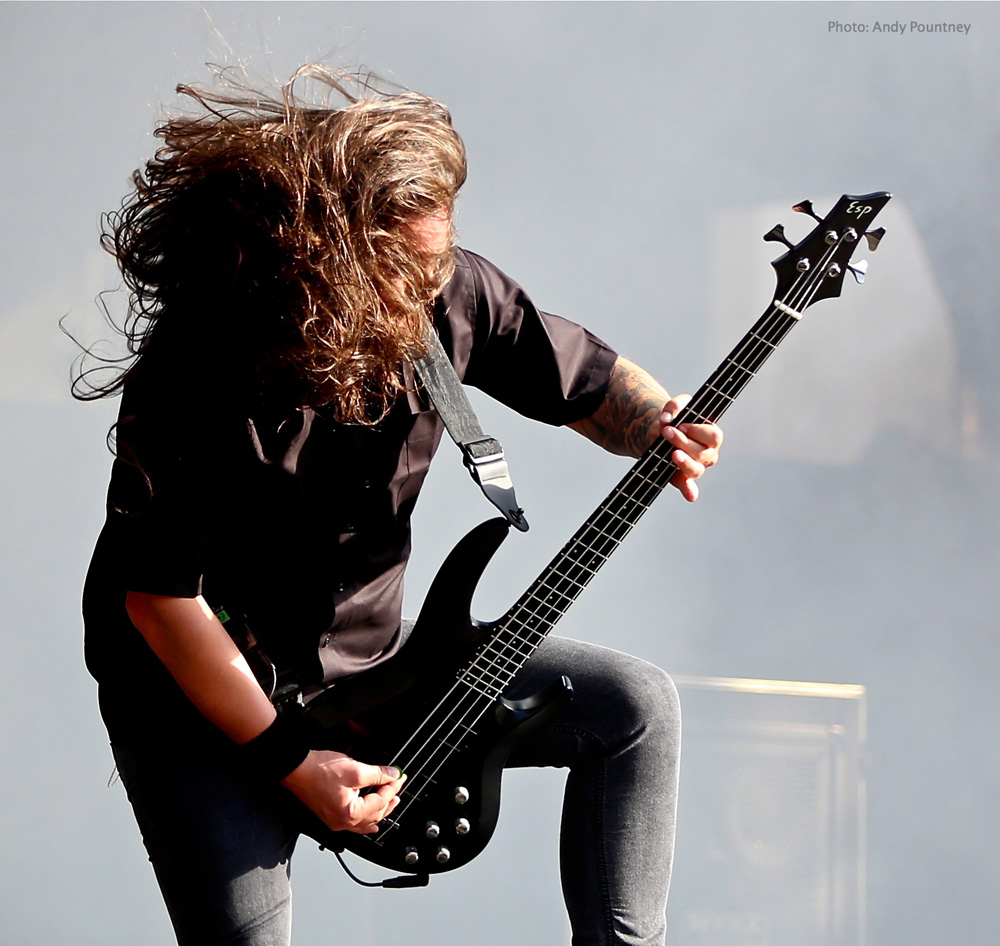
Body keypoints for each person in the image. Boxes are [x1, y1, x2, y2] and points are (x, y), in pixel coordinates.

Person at [80, 65, 723, 946]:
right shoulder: (201, 366)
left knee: (634, 706)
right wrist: (292, 762)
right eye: (399, 272)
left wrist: (663, 424)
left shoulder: (447, 290)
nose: (425, 293)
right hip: (197, 700)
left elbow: (590, 385)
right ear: (323, 251)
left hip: (370, 664)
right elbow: (160, 603)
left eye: (436, 264)